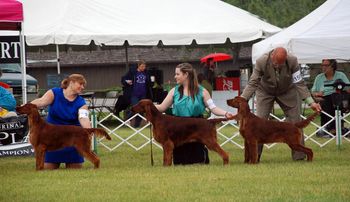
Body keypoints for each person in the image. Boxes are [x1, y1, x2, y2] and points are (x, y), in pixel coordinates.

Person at [240, 47, 321, 161]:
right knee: (258, 124)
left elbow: (299, 82)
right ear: (272, 56)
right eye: (276, 63)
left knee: (295, 122)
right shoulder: (261, 61)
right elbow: (253, 82)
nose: (278, 66)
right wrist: (243, 99)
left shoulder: (292, 61)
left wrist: (311, 102)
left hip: (287, 91)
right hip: (265, 91)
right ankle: (255, 157)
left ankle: (299, 157)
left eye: (281, 64)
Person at [155, 63, 234, 165]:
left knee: (198, 161)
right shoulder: (174, 91)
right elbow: (161, 107)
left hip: (197, 126)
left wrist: (225, 113)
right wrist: (146, 105)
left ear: (186, 74)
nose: (175, 76)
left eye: (177, 74)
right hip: (179, 128)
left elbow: (213, 108)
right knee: (180, 163)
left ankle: (221, 157)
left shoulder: (202, 91)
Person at [30, 74, 91, 169]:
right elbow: (42, 102)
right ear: (71, 82)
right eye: (81, 84)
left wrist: (88, 131)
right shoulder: (54, 93)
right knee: (48, 168)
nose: (83, 87)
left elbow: (84, 118)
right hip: (52, 137)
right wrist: (26, 106)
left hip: (72, 138)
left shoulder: (81, 102)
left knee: (75, 169)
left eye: (84, 85)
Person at [311, 59, 350, 138]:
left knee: (336, 99)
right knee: (328, 100)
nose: (323, 67)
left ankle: (333, 129)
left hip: (340, 97)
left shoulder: (341, 75)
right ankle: (331, 129)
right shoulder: (319, 77)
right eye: (322, 65)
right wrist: (317, 94)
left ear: (332, 66)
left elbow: (348, 88)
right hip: (325, 99)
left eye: (326, 65)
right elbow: (313, 92)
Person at [121, 60, 153, 127]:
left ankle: (136, 126)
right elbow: (123, 79)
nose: (143, 68)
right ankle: (127, 120)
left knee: (141, 110)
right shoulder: (132, 72)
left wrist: (151, 81)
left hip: (143, 95)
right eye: (142, 66)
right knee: (136, 108)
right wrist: (127, 82)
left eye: (144, 66)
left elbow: (149, 83)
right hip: (134, 94)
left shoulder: (146, 73)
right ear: (138, 66)